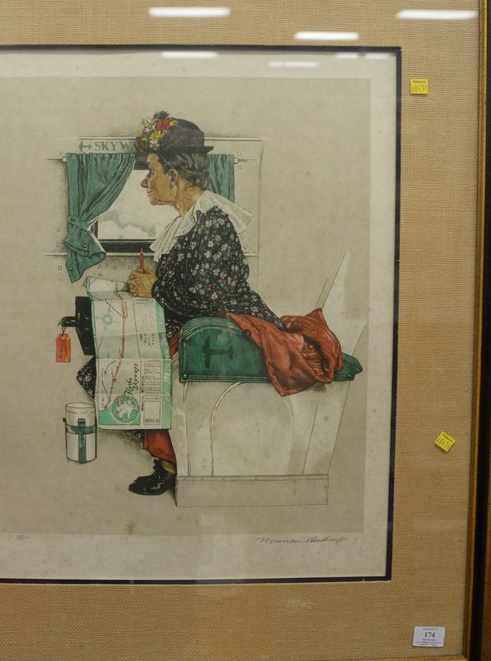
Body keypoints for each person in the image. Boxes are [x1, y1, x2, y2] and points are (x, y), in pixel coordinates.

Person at [79, 111, 346, 497]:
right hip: (198, 318)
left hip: (225, 325)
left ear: (174, 176)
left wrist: (155, 289)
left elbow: (209, 296)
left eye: (152, 171)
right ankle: (167, 461)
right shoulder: (190, 221)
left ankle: (170, 463)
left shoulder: (212, 222)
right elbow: (190, 286)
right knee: (114, 352)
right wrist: (152, 286)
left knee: (133, 360)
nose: (144, 181)